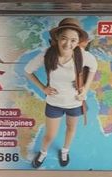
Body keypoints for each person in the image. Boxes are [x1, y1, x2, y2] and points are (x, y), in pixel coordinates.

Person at [25, 18, 98, 168]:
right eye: (64, 38)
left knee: (71, 129)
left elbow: (93, 67)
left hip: (75, 102)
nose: (68, 44)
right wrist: (43, 88)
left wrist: (85, 88)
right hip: (54, 103)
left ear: (78, 42)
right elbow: (28, 71)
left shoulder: (82, 55)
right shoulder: (47, 55)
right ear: (57, 37)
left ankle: (65, 151)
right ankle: (43, 153)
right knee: (50, 135)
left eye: (73, 40)